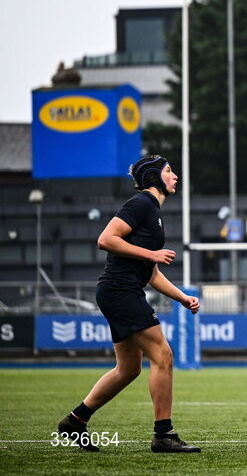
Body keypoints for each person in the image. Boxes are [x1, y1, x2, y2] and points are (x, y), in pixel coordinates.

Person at [56, 155, 200, 453]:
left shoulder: (153, 211)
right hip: (120, 292)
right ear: (154, 178)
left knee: (129, 368)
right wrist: (151, 255)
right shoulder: (141, 204)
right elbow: (106, 238)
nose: (175, 177)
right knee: (163, 356)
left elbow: (152, 274)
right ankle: (164, 435)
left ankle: (75, 421)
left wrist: (182, 297)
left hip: (120, 291)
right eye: (169, 171)